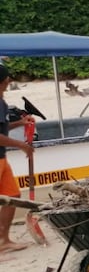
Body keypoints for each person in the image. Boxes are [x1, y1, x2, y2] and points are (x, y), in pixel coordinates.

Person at [0, 64, 34, 260]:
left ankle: (4, 240)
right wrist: (21, 145)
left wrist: (20, 123)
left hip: (2, 158)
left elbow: (2, 128)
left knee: (12, 196)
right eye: (8, 79)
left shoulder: (2, 103)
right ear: (5, 81)